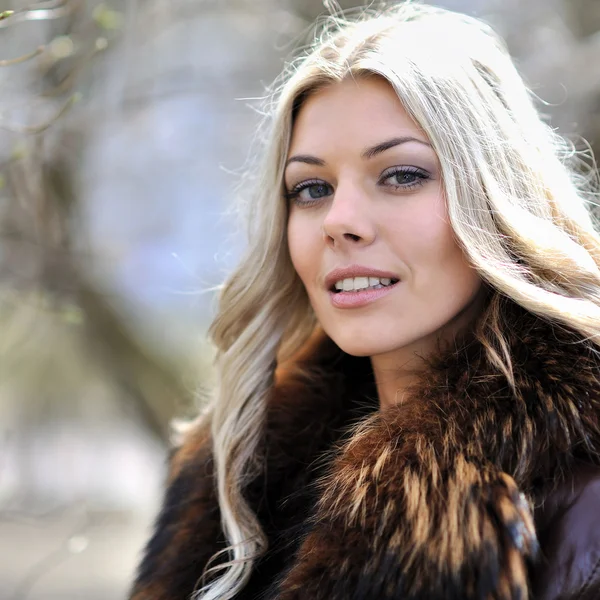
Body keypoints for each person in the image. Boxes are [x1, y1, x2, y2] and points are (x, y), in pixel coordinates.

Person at [129, 2, 600, 599]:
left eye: (401, 175)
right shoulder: (238, 475)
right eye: (311, 188)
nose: (339, 220)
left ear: (498, 199)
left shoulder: (579, 502)